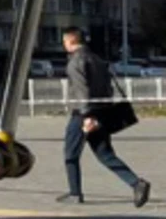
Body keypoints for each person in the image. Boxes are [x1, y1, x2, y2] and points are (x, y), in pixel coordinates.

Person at [55, 27, 150, 207]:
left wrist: (87, 117)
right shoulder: (97, 59)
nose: (64, 44)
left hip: (82, 115)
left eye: (64, 41)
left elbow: (82, 91)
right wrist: (100, 114)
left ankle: (75, 193)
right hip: (101, 111)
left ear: (70, 41)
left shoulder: (75, 62)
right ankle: (137, 183)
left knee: (70, 154)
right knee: (105, 154)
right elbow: (108, 89)